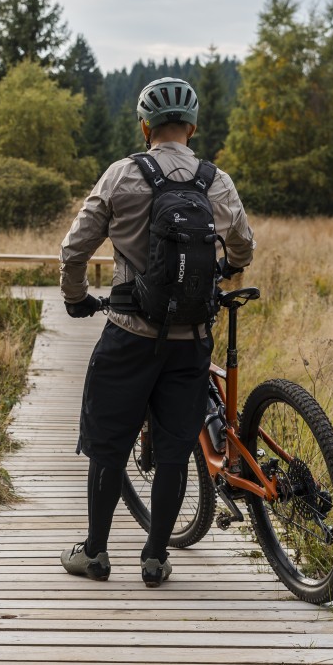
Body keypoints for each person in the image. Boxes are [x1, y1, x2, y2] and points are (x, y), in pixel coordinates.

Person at [58, 77, 255, 586]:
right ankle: (155, 557)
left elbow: (74, 249)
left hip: (129, 333)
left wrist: (77, 298)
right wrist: (223, 269)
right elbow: (243, 248)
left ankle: (96, 555)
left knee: (107, 446)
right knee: (173, 449)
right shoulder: (216, 180)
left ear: (145, 126)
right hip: (190, 343)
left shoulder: (122, 175)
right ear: (192, 126)